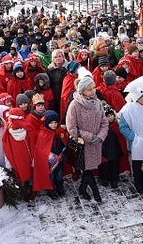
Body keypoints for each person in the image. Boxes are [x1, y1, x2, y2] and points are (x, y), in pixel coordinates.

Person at [66, 74, 108, 202]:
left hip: (96, 144)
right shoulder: (74, 105)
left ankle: (82, 189)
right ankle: (95, 193)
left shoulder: (97, 103)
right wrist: (90, 137)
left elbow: (104, 122)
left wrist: (100, 137)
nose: (93, 91)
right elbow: (71, 128)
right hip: (83, 145)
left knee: (88, 170)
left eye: (94, 88)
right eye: (89, 89)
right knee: (87, 170)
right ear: (82, 91)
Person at [32, 111, 68, 199]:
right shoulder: (43, 133)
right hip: (49, 161)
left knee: (59, 175)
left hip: (59, 158)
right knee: (50, 176)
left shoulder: (60, 131)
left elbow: (65, 142)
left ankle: (60, 188)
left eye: (55, 122)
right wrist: (49, 156)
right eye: (51, 123)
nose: (54, 125)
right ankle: (50, 190)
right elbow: (40, 150)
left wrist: (65, 152)